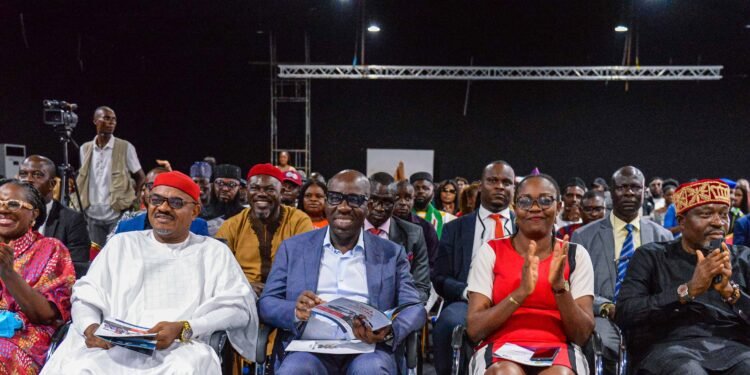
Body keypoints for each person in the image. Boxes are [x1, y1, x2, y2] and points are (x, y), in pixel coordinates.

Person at [42, 171, 259, 374]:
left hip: (180, 347)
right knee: (81, 366)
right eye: (156, 200)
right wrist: (90, 328)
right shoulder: (122, 244)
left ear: (195, 211)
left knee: (187, 368)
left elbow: (237, 308)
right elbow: (86, 295)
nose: (163, 208)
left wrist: (185, 328)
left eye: (176, 203)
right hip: (111, 345)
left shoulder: (213, 252)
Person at [258, 170, 426, 374]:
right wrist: (295, 310)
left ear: (368, 205)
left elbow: (414, 307)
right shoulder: (293, 248)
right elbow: (267, 303)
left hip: (369, 350)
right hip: (308, 348)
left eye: (354, 200)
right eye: (336, 198)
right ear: (327, 202)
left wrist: (390, 330)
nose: (344, 207)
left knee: (370, 371)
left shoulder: (391, 253)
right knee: (294, 370)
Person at [616, 179, 750, 374]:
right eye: (706, 214)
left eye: (723, 214)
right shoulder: (652, 256)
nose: (718, 222)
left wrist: (731, 293)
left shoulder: (743, 257)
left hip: (734, 348)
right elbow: (626, 313)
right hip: (669, 349)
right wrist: (688, 290)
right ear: (681, 221)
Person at [465, 174, 595, 374]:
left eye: (545, 200)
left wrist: (560, 289)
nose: (535, 208)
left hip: (558, 348)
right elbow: (475, 330)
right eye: (525, 201)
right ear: (515, 208)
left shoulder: (575, 255)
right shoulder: (491, 251)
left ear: (559, 207)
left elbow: (582, 335)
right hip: (500, 347)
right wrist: (520, 292)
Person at [571, 166, 673, 369]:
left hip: (648, 313)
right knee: (606, 346)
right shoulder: (584, 236)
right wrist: (607, 307)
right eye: (622, 187)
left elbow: (667, 287)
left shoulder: (663, 237)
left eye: (635, 187)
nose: (628, 192)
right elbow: (576, 287)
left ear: (644, 192)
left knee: (668, 347)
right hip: (604, 313)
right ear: (610, 192)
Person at [431, 161, 517, 375]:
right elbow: (440, 277)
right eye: (493, 181)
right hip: (467, 301)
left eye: (507, 182)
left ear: (514, 189)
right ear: (481, 186)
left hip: (516, 301)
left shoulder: (524, 226)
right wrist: (465, 292)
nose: (500, 187)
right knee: (449, 322)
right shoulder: (455, 228)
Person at [0, 179, 75, 374]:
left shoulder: (50, 249)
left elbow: (46, 315)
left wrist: (7, 272)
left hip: (26, 338)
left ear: (34, 214)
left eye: (13, 204)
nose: (4, 210)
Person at [216, 163, 313, 297]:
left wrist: (273, 292)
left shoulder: (299, 221)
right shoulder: (231, 225)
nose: (261, 194)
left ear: (282, 192)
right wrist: (245, 285)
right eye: (255, 188)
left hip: (286, 294)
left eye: (269, 189)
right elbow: (219, 270)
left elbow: (304, 267)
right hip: (243, 293)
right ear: (246, 191)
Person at [76, 106, 146, 247]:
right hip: (91, 213)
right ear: (95, 121)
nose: (111, 122)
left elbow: (141, 176)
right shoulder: (85, 148)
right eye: (106, 118)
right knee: (96, 255)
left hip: (116, 212)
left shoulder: (125, 147)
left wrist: (135, 201)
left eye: (114, 119)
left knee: (117, 252)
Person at [17, 155, 91, 277]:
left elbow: (79, 266)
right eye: (23, 174)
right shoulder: (8, 217)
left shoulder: (72, 220)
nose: (28, 180)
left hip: (52, 289)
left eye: (37, 175)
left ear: (52, 184)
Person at [365, 173, 431, 302]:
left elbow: (421, 287)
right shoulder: (349, 230)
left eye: (387, 202)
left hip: (398, 307)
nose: (379, 208)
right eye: (373, 200)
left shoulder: (414, 234)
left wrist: (403, 309)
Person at [112, 167, 209, 237]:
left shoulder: (198, 226)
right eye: (152, 186)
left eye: (176, 202)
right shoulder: (125, 227)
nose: (163, 207)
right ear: (143, 190)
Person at [392, 180, 440, 271]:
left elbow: (432, 263)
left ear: (413, 200)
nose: (403, 203)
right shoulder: (381, 224)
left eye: (408, 198)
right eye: (397, 198)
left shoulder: (426, 227)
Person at [200, 164, 245, 236]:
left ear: (239, 188)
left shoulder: (246, 216)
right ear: (213, 185)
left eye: (232, 184)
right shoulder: (200, 214)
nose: (225, 189)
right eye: (220, 183)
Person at [410, 172, 456, 238]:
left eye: (425, 188)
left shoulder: (447, 219)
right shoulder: (401, 217)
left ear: (433, 193)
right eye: (416, 188)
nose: (421, 191)